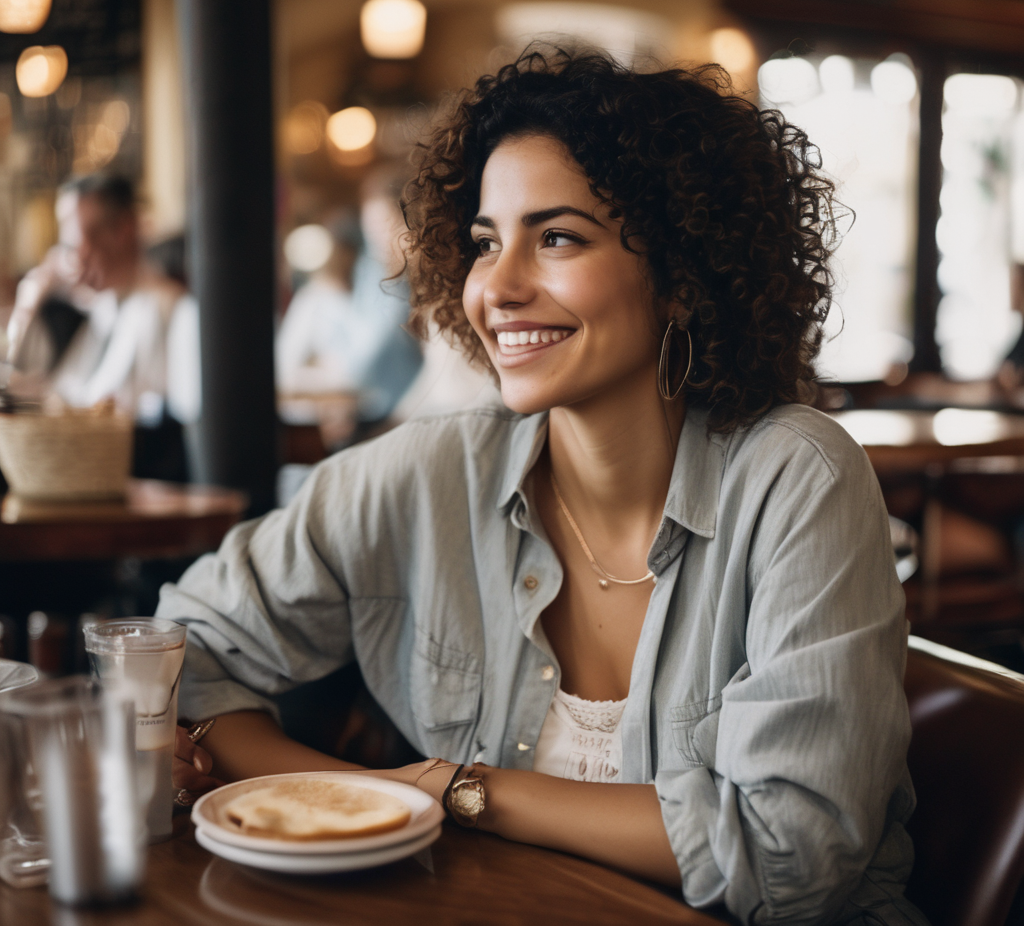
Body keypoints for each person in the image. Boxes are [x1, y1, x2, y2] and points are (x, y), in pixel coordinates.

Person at [158, 51, 923, 925]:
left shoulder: (798, 480)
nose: (500, 287)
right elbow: (177, 653)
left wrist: (454, 790)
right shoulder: (432, 471)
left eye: (557, 237)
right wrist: (369, 801)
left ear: (681, 274)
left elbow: (789, 855)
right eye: (486, 242)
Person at [5, 174, 199, 479]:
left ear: (122, 230)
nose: (68, 253)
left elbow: (106, 414)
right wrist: (30, 302)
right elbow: (45, 391)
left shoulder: (168, 309)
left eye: (73, 237)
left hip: (119, 478)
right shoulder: (99, 310)